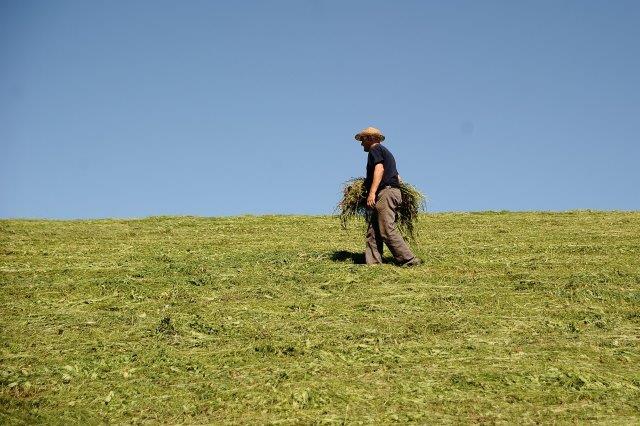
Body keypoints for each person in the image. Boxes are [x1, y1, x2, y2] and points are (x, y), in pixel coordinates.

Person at [355, 126, 421, 267]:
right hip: (390, 191)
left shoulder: (375, 149)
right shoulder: (386, 152)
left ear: (370, 138)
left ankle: (409, 260)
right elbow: (398, 176)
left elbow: (380, 169)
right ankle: (373, 264)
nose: (361, 144)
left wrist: (372, 192)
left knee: (386, 228)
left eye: (362, 140)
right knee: (373, 231)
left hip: (385, 192)